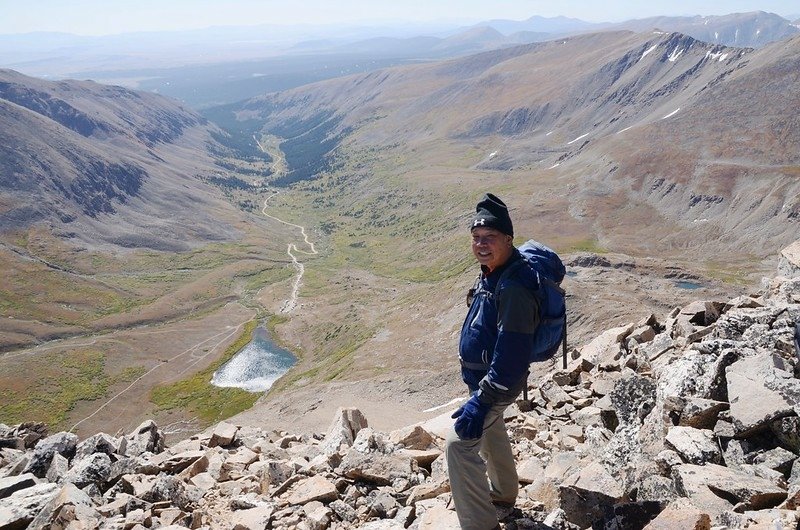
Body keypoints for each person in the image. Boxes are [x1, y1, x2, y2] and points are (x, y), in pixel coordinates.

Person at [445, 193, 540, 530]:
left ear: (509, 240)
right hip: (485, 381)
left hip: (496, 383)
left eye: (490, 238)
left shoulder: (513, 287)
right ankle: (502, 493)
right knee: (492, 431)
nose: (481, 245)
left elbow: (512, 356)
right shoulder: (494, 270)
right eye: (476, 238)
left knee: (458, 446)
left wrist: (483, 400)